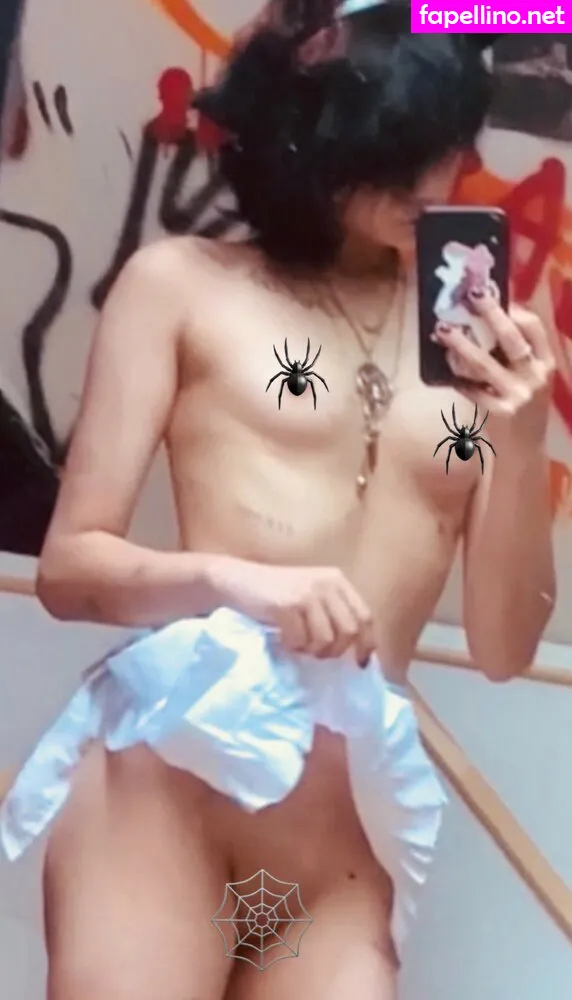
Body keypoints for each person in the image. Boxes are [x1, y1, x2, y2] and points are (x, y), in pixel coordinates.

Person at [1, 2, 556, 999]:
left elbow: (502, 648)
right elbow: (71, 569)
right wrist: (236, 582)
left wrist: (518, 441)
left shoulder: (474, 347)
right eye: (393, 152)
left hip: (335, 855)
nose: (425, 184)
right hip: (168, 802)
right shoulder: (181, 284)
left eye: (443, 151)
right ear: (311, 134)